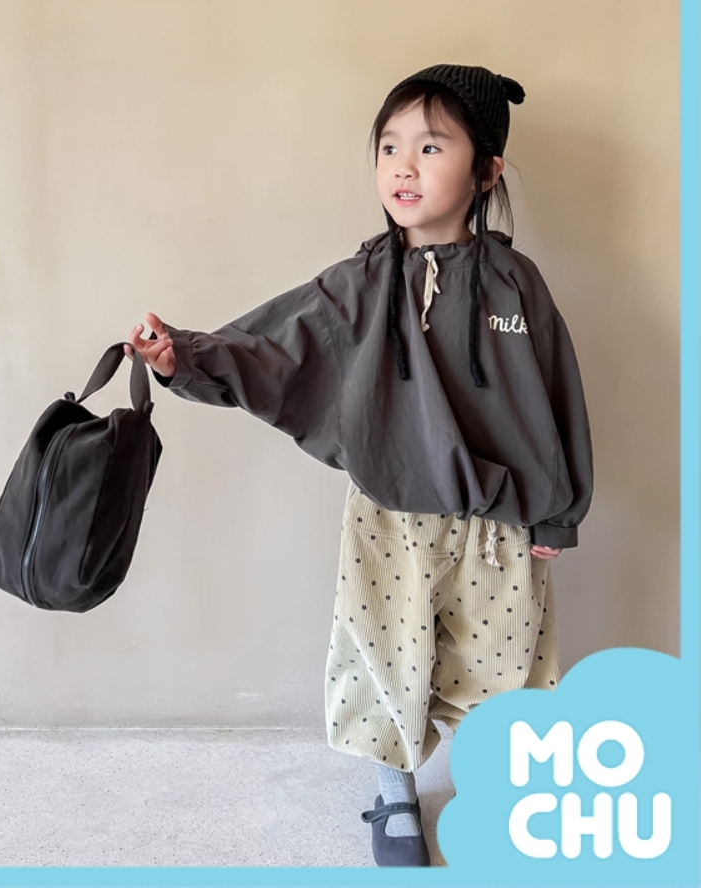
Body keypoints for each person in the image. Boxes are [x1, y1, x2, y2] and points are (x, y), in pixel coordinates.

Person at [124, 64, 593, 867]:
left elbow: (557, 395)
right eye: (389, 147)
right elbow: (273, 345)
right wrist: (184, 357)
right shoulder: (360, 283)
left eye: (431, 147)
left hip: (498, 522)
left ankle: (504, 789)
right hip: (389, 517)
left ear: (487, 171)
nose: (403, 166)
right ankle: (394, 793)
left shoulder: (517, 285)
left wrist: (559, 510)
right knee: (388, 656)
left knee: (506, 666)